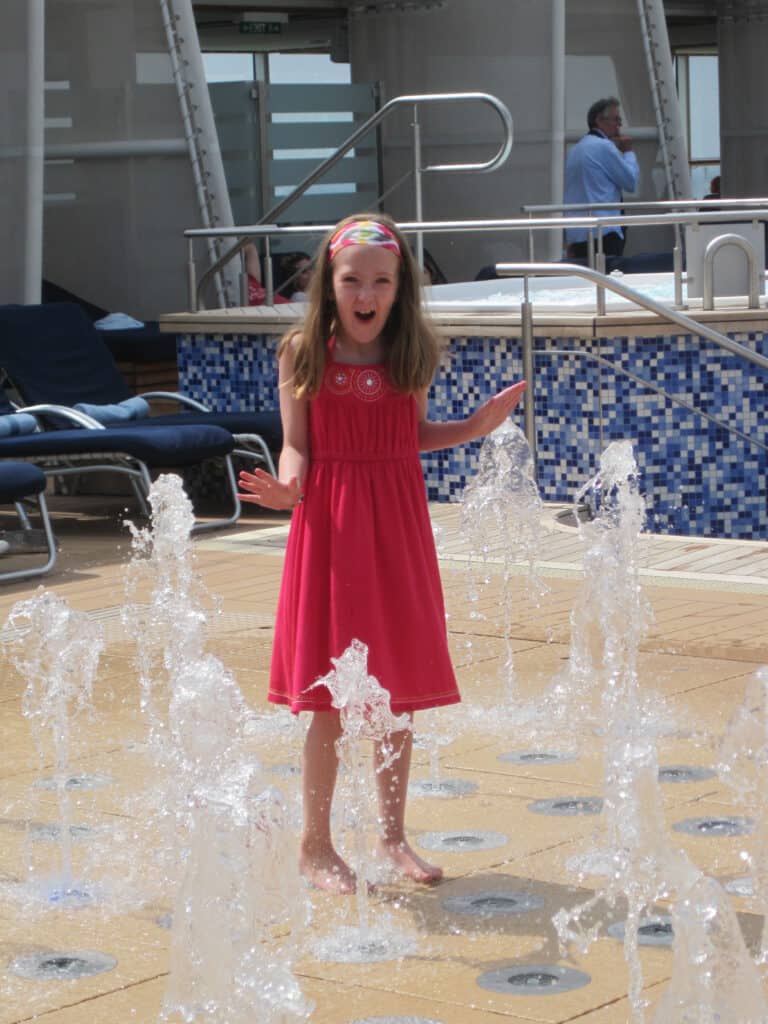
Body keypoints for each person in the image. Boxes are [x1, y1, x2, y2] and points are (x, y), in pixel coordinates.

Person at [237, 214, 526, 894]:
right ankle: (315, 845)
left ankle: (392, 836)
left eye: (380, 281)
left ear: (400, 289)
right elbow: (298, 444)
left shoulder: (412, 352)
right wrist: (289, 486)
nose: (365, 293)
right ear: (328, 285)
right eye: (351, 280)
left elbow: (410, 434)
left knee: (393, 689)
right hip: (332, 527)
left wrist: (474, 428)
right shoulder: (302, 353)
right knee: (332, 697)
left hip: (396, 525)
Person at [564, 97, 640, 260]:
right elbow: (630, 181)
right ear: (599, 120)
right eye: (616, 119)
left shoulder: (575, 150)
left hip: (578, 234)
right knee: (607, 279)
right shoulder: (604, 146)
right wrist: (628, 152)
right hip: (604, 232)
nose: (619, 124)